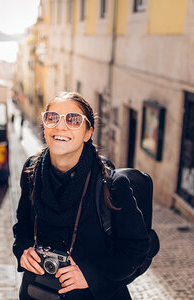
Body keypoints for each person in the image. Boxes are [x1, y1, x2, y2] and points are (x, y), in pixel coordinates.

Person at [13, 92, 150, 300]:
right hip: (38, 292)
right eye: (52, 117)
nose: (60, 126)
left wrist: (91, 275)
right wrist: (23, 251)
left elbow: (137, 247)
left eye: (73, 120)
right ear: (45, 125)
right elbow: (22, 226)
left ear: (88, 133)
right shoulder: (31, 172)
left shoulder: (111, 185)